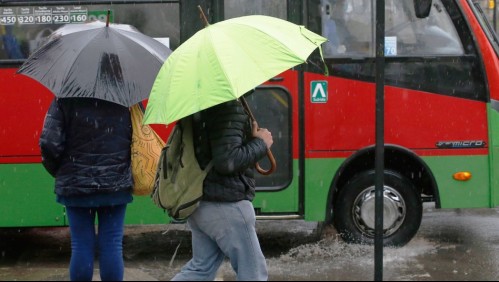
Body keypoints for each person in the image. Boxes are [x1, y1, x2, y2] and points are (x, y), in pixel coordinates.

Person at [171, 96, 273, 281]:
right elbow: (227, 161)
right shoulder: (228, 108)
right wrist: (261, 143)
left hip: (201, 202)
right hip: (226, 204)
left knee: (200, 269)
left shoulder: (200, 104)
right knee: (253, 273)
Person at [39, 97, 133, 281]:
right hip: (115, 185)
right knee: (112, 243)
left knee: (81, 244)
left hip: (76, 185)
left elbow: (49, 143)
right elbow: (137, 137)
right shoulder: (126, 97)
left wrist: (61, 170)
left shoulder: (65, 97)